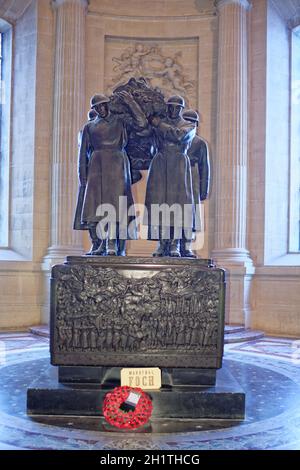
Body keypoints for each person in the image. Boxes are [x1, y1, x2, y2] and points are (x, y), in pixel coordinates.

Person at [76, 91, 148, 256]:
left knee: (115, 206)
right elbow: (83, 152)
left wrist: (131, 103)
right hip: (97, 165)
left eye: (102, 105)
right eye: (97, 107)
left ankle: (111, 243)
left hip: (117, 163)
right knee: (97, 206)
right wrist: (83, 176)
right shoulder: (89, 126)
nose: (100, 109)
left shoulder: (120, 121)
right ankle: (101, 243)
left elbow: (141, 123)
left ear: (107, 105)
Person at [144, 95, 196, 257]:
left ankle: (175, 244)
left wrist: (159, 124)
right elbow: (145, 135)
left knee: (178, 206)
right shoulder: (158, 124)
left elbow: (179, 135)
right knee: (158, 204)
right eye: (171, 107)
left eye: (176, 107)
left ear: (181, 109)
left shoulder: (189, 124)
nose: (173, 110)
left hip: (178, 165)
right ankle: (162, 242)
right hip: (160, 163)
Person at [181, 109, 210, 257]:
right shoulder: (175, 138)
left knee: (189, 214)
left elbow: (205, 168)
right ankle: (169, 244)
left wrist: (204, 189)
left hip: (192, 177)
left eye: (192, 122)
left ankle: (186, 246)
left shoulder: (200, 143)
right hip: (177, 175)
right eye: (186, 121)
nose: (189, 124)